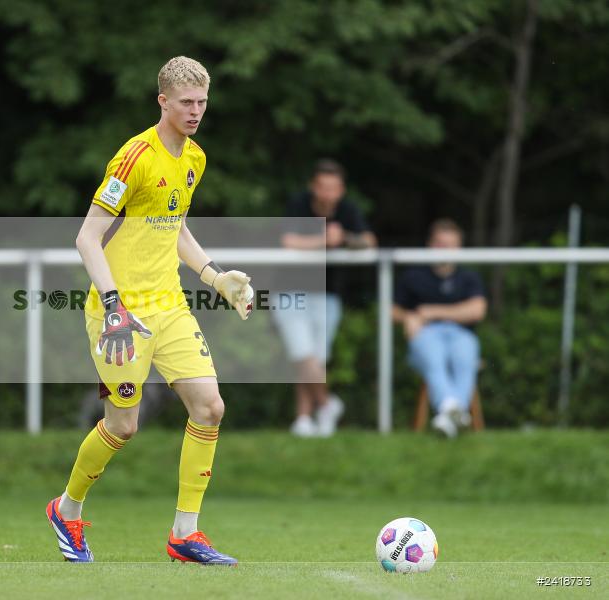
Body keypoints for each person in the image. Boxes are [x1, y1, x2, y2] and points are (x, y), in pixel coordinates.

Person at [45, 56, 253, 565]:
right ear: (163, 101)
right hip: (119, 314)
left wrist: (214, 276)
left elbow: (174, 227)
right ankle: (66, 509)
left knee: (210, 407)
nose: (196, 111)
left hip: (170, 306)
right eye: (186, 102)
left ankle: (185, 534)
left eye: (203, 102)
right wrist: (114, 305)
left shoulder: (194, 159)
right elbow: (87, 237)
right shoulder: (133, 157)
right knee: (123, 426)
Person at [273, 159, 376, 437]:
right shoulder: (298, 204)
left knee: (313, 360)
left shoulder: (348, 210)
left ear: (341, 190)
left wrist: (345, 239)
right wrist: (324, 240)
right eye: (323, 187)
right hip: (290, 292)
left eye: (333, 188)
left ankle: (305, 419)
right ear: (313, 187)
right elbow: (288, 241)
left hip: (328, 294)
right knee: (303, 353)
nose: (328, 194)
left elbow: (368, 241)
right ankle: (327, 404)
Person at [392, 219, 487, 438]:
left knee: (464, 357)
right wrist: (409, 317)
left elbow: (477, 310)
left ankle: (448, 412)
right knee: (433, 357)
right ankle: (456, 412)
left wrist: (430, 312)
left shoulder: (468, 276)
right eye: (440, 244)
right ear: (430, 244)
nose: (445, 250)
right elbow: (392, 311)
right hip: (425, 336)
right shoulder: (413, 275)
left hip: (461, 335)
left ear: (459, 247)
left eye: (450, 245)